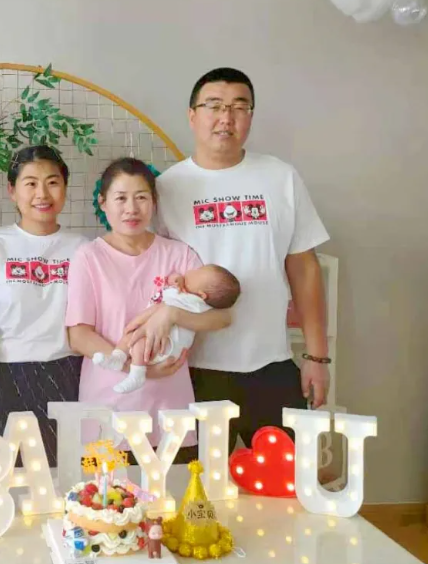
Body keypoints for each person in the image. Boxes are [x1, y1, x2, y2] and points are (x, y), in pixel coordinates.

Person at [133, 67, 331, 452]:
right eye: (214, 106)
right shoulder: (166, 189)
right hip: (191, 371)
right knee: (194, 486)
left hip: (270, 364)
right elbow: (148, 273)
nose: (226, 117)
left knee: (287, 482)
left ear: (250, 117)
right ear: (192, 115)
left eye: (239, 107)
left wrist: (317, 357)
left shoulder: (280, 177)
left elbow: (304, 268)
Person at [66, 157, 231, 453]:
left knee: (177, 482)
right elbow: (78, 335)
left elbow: (221, 318)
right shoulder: (88, 257)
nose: (131, 208)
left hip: (170, 406)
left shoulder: (179, 255)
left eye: (141, 197)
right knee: (109, 483)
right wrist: (137, 368)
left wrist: (171, 313)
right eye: (121, 198)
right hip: (108, 404)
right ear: (103, 203)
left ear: (154, 202)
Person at [0, 145, 88, 466]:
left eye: (52, 182)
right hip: (9, 376)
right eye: (31, 183)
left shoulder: (82, 248)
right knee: (10, 479)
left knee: (66, 478)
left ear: (65, 188)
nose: (42, 194)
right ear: (12, 190)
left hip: (69, 374)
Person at [95, 264, 240, 393]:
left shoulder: (195, 303)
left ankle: (137, 374)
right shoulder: (186, 291)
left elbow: (165, 307)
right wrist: (176, 279)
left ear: (201, 295)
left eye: (196, 273)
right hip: (154, 337)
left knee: (138, 341)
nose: (190, 271)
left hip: (165, 344)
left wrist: (160, 315)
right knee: (130, 338)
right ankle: (117, 358)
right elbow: (167, 293)